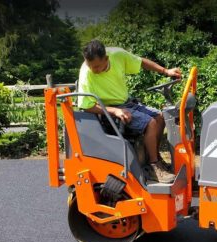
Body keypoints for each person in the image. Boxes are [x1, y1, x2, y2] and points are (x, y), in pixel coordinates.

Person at [77, 39, 181, 183]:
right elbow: (86, 106)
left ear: (106, 58)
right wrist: (115, 111)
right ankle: (153, 167)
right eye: (90, 66)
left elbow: (141, 62)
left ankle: (153, 159)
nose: (93, 69)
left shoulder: (117, 55)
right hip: (105, 110)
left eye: (97, 66)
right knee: (150, 123)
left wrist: (165, 71)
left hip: (126, 103)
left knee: (160, 117)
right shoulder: (86, 72)